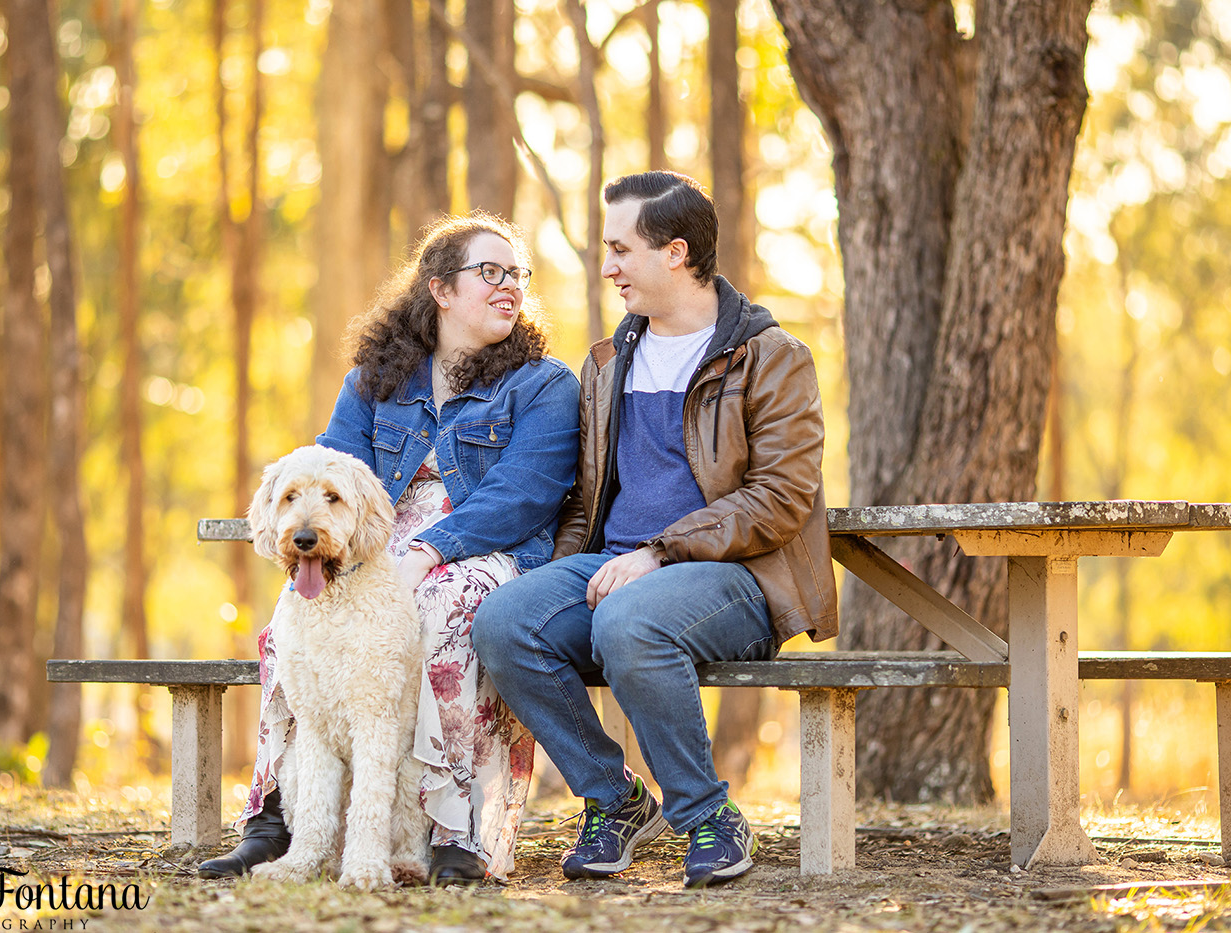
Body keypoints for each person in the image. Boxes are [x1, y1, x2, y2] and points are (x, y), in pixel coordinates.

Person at [472, 171, 839, 889]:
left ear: (675, 252)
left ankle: (707, 814)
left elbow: (781, 496)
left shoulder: (771, 356)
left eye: (620, 249)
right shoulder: (609, 363)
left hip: (737, 577)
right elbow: (586, 495)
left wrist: (659, 552)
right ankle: (614, 798)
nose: (607, 266)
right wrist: (556, 574)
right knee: (505, 620)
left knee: (630, 622)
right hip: (616, 566)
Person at [199, 212, 580, 885]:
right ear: (439, 288)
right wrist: (342, 545)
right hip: (377, 539)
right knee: (291, 621)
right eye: (489, 272)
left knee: (438, 609)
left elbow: (524, 493)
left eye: (517, 274)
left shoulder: (543, 384)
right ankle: (279, 813)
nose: (510, 286)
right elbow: (331, 471)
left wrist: (428, 549)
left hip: (483, 549)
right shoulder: (377, 379)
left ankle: (452, 829)